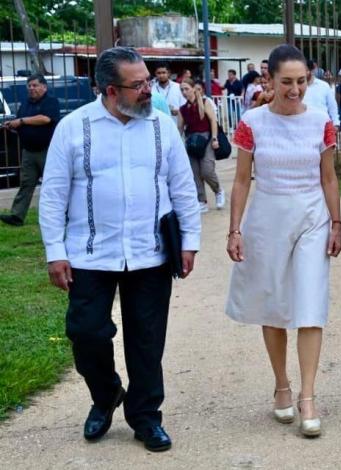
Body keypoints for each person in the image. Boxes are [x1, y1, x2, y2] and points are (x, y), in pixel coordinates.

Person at [38, 46, 201, 452]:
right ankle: (106, 393)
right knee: (86, 331)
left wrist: (191, 242)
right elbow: (55, 194)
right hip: (90, 253)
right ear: (111, 90)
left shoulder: (162, 126)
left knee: (147, 340)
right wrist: (55, 251)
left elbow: (182, 188)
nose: (149, 89)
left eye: (148, 80)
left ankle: (146, 416)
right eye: (139, 84)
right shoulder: (74, 128)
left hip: (150, 252)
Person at [225, 44, 341, 438]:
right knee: (273, 304)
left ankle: (307, 396)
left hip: (312, 216)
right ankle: (281, 384)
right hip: (267, 218)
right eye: (287, 82)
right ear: (269, 81)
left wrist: (337, 223)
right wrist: (235, 229)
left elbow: (329, 177)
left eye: (302, 81)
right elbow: (242, 180)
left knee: (310, 303)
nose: (295, 90)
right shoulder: (253, 122)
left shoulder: (321, 120)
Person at [0, 74, 60, 227]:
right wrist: (13, 126)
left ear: (44, 87)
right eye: (29, 86)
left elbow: (45, 119)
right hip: (29, 151)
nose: (31, 88)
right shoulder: (26, 104)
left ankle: (61, 216)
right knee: (26, 184)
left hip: (47, 151)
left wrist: (21, 121)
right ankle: (17, 216)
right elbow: (21, 123)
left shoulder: (51, 101)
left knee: (53, 185)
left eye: (35, 85)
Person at [179, 79, 224, 213]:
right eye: (182, 90)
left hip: (206, 139)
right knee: (195, 173)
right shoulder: (182, 109)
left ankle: (218, 191)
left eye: (186, 89)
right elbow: (180, 128)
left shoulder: (205, 102)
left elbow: (213, 121)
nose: (184, 92)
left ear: (193, 88)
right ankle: (202, 200)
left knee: (207, 170)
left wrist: (215, 138)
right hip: (191, 141)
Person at [302, 59, 341, 132]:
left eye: (306, 70)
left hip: (322, 128)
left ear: (312, 70)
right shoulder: (298, 88)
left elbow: (332, 106)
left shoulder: (324, 86)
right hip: (304, 128)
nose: (303, 73)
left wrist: (336, 123)